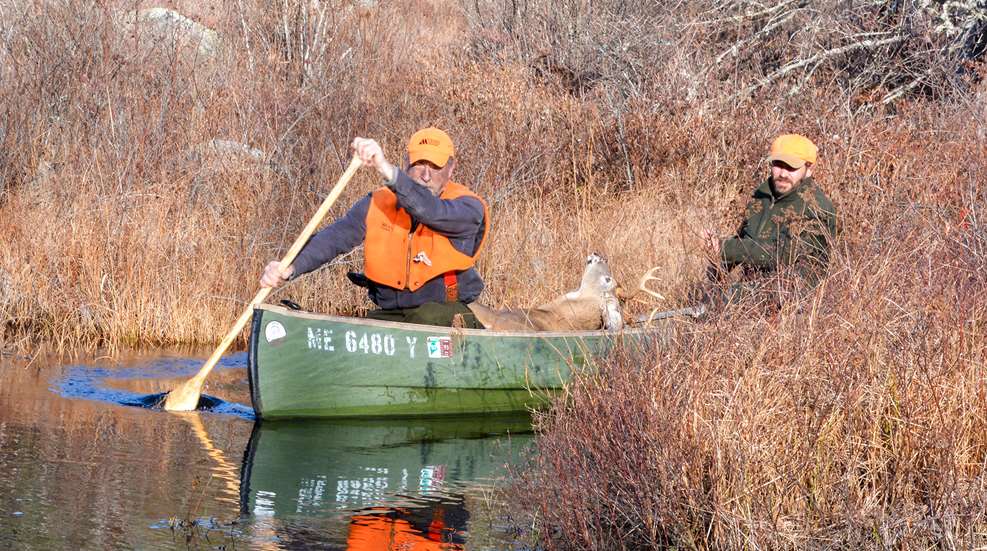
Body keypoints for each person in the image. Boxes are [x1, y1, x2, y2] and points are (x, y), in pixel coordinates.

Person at [260, 127, 488, 328]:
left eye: (435, 166)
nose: (426, 175)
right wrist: (289, 267)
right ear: (407, 163)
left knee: (428, 315)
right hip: (391, 315)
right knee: (364, 327)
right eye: (419, 164)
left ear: (450, 168)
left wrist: (384, 168)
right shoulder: (377, 203)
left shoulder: (468, 208)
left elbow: (428, 210)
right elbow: (336, 237)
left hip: (444, 316)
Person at [703, 133, 837, 303]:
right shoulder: (762, 196)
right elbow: (744, 239)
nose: (782, 173)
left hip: (793, 297)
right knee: (709, 299)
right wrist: (716, 268)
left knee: (726, 300)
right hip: (754, 288)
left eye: (791, 167)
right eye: (778, 165)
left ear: (809, 169)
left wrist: (725, 249)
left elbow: (783, 254)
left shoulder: (817, 208)